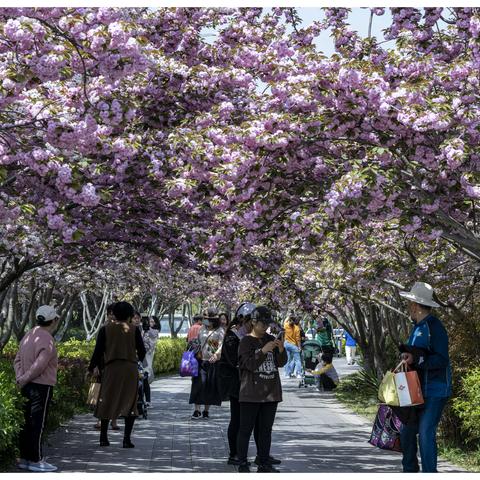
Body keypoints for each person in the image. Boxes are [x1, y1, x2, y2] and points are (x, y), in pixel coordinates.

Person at [398, 282, 452, 473]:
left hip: (436, 389)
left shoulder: (435, 327)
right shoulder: (417, 327)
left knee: (426, 433)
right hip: (417, 391)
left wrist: (418, 359)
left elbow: (441, 359)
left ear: (415, 306)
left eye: (410, 305)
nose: (408, 308)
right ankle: (409, 471)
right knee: (407, 431)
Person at [88, 301, 146, 448]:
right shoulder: (134, 329)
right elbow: (142, 351)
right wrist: (134, 359)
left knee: (106, 400)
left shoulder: (105, 329)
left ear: (114, 313)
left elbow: (98, 351)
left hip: (111, 369)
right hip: (130, 369)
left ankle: (103, 438)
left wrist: (91, 367)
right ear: (130, 315)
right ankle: (126, 440)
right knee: (130, 402)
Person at [237, 306, 287, 473]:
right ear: (253, 322)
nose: (265, 327)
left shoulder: (270, 338)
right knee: (246, 429)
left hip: (270, 393)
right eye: (262, 324)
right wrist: (263, 351)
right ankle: (242, 462)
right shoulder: (245, 341)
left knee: (265, 430)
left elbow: (280, 363)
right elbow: (248, 364)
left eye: (267, 324)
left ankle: (264, 462)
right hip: (250, 393)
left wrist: (280, 349)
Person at [14, 305, 60, 472]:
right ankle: (36, 459)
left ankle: (25, 458)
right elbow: (40, 366)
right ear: (53, 320)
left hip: (25, 385)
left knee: (27, 422)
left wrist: (20, 378)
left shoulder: (29, 334)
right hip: (41, 386)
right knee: (38, 424)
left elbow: (17, 359)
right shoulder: (47, 339)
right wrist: (25, 378)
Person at [189, 308, 225, 419]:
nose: (205, 320)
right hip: (200, 361)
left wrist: (216, 354)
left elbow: (221, 345)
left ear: (213, 320)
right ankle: (196, 410)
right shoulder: (201, 329)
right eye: (205, 318)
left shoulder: (220, 330)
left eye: (207, 318)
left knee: (209, 386)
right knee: (197, 385)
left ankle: (206, 410)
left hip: (212, 362)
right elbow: (197, 341)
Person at [94, 303, 119, 431]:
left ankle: (113, 420)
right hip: (104, 365)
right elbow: (98, 350)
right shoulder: (104, 328)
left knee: (114, 394)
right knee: (101, 394)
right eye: (111, 314)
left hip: (116, 366)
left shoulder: (122, 329)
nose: (113, 317)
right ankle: (100, 419)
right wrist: (95, 366)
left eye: (115, 314)